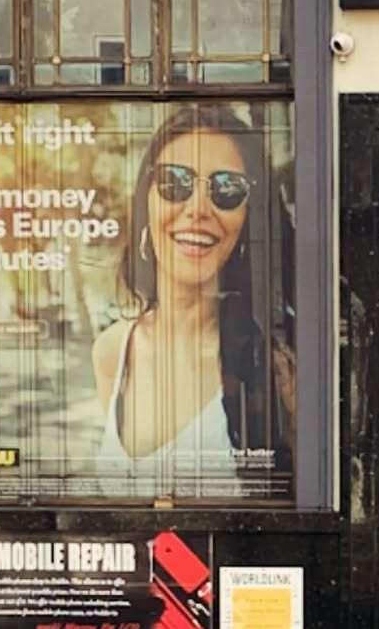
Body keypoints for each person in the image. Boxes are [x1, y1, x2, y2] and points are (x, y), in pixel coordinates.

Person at [92, 104, 293, 499]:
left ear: (248, 219)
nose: (198, 209)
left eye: (227, 189)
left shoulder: (273, 362)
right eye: (175, 182)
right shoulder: (113, 351)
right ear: (146, 201)